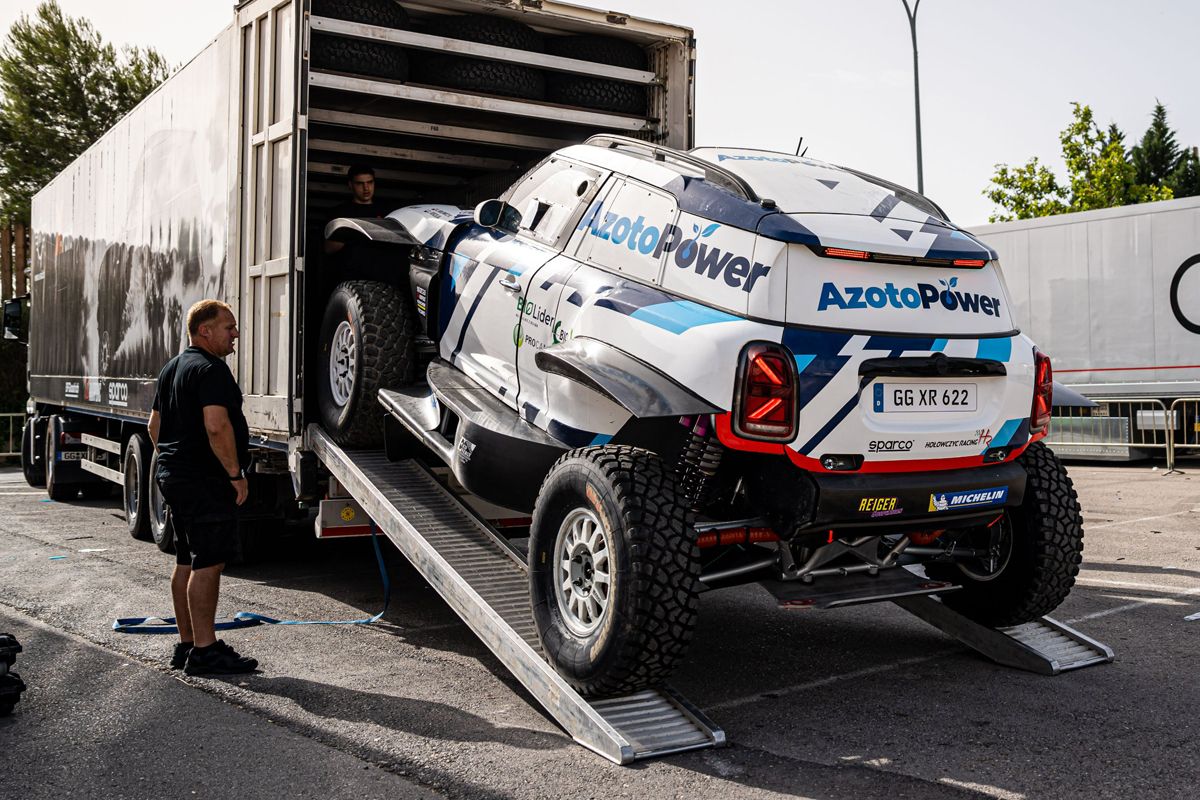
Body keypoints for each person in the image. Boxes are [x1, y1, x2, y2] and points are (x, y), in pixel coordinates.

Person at [147, 299, 257, 676]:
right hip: (205, 481)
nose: (236, 334)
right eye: (229, 327)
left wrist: (174, 462)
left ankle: (188, 644)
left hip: (175, 478)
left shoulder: (172, 368)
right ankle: (206, 652)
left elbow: (154, 427)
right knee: (209, 562)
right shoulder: (211, 370)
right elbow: (216, 425)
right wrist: (234, 473)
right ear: (205, 331)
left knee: (186, 561)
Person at [323, 163, 385, 255]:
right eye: (360, 183)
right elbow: (328, 248)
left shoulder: (385, 212)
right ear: (350, 185)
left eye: (370, 182)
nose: (366, 188)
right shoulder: (339, 213)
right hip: (350, 268)